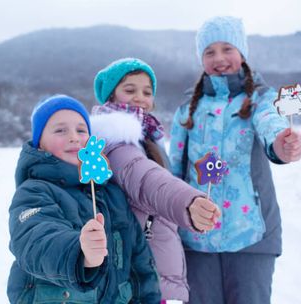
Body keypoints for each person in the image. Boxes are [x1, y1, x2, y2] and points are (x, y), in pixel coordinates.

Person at [169, 16, 301, 304]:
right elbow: (174, 173)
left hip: (252, 236)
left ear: (242, 53)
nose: (219, 58)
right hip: (197, 239)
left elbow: (271, 123)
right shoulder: (187, 111)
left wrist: (283, 143)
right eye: (209, 52)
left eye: (227, 48)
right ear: (201, 59)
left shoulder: (259, 100)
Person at [7, 95, 161, 303]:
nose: (74, 137)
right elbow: (34, 240)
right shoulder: (35, 191)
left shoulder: (111, 194)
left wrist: (149, 298)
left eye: (81, 130)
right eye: (60, 130)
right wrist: (79, 252)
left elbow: (139, 259)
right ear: (40, 144)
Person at [91, 58, 221, 303]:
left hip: (152, 272)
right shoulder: (116, 141)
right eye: (129, 90)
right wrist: (188, 201)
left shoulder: (146, 137)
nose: (140, 97)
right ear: (110, 96)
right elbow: (146, 178)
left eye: (147, 91)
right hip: (140, 277)